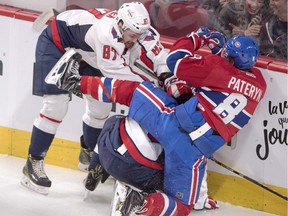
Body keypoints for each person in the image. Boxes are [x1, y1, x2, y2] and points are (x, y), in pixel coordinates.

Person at [47, 26, 267, 215]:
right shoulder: (260, 83)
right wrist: (221, 54)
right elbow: (229, 80)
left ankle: (73, 81)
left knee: (133, 91)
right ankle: (139, 203)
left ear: (229, 60)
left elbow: (175, 60)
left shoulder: (217, 69)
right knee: (182, 205)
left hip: (173, 122)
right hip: (194, 152)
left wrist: (197, 38)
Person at [21, 2, 170, 195]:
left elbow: (159, 57)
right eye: (132, 36)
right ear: (121, 25)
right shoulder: (105, 35)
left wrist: (166, 76)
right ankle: (33, 162)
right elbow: (123, 79)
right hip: (58, 44)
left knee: (100, 107)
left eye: (140, 36)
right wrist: (155, 89)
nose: (136, 41)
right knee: (56, 105)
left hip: (89, 54)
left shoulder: (139, 31)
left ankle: (88, 154)